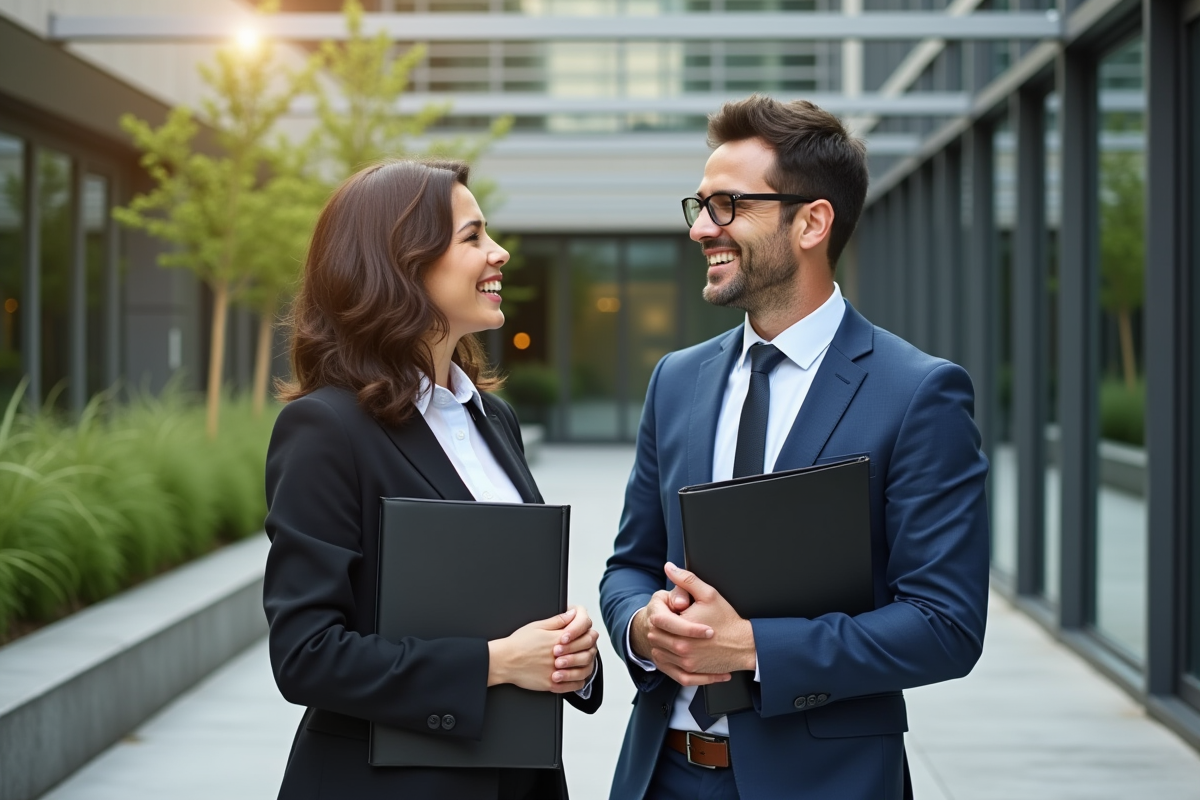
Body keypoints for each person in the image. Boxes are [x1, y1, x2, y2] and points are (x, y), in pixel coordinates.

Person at [599, 95, 989, 800]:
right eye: (700, 205)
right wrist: (641, 628)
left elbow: (945, 624)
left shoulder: (918, 393)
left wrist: (751, 647)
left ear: (811, 221)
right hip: (662, 776)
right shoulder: (676, 380)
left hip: (824, 783)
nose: (700, 230)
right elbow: (629, 566)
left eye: (727, 206)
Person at [263, 158, 602, 800]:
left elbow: (508, 603)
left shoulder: (492, 419)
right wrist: (494, 665)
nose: (498, 253)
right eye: (472, 237)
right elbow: (306, 654)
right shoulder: (325, 430)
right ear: (401, 262)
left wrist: (570, 657)